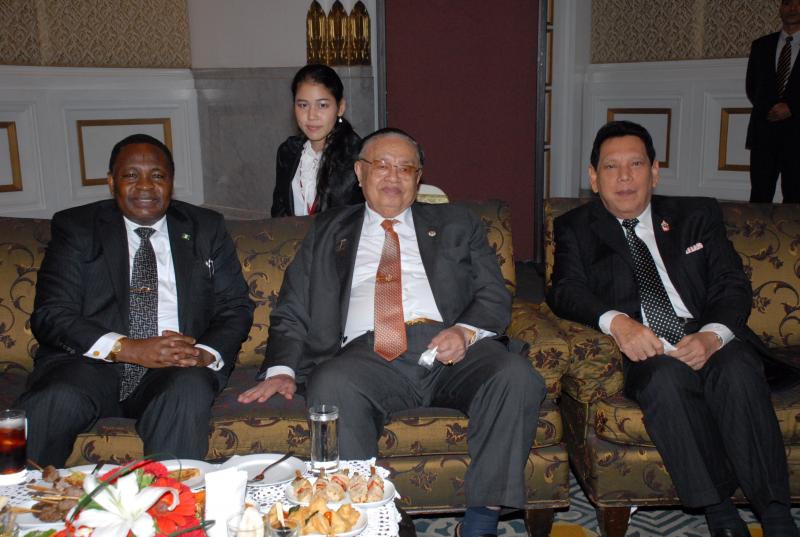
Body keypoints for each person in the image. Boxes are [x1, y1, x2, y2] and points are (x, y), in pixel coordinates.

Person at [241, 128, 545, 537]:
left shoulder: (457, 222)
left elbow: (494, 292)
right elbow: (292, 307)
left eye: (406, 168)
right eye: (382, 165)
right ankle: (380, 524)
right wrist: (282, 369)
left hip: (452, 348)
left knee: (515, 375)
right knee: (332, 383)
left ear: (418, 178)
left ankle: (480, 523)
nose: (393, 177)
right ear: (359, 172)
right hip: (366, 356)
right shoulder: (328, 230)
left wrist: (465, 331)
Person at [547, 120, 798, 537]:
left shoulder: (696, 215)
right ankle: (719, 512)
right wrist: (618, 323)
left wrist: (712, 335)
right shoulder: (575, 227)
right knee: (665, 380)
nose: (624, 177)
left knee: (736, 370)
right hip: (646, 348)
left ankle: (776, 513)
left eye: (635, 164)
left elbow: (731, 284)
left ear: (654, 171)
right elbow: (564, 290)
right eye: (611, 167)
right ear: (593, 177)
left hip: (706, 334)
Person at [16, 134, 254, 467]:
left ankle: (169, 496)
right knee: (55, 398)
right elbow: (52, 314)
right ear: (111, 181)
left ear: (171, 183)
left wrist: (202, 353)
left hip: (174, 369)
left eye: (158, 176)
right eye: (131, 175)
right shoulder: (78, 227)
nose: (145, 186)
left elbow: (235, 307)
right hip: (88, 365)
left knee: (188, 388)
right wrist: (129, 349)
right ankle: (16, 496)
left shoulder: (205, 227)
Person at [271, 64, 364, 217]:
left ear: (340, 107)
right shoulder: (288, 152)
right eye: (303, 105)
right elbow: (278, 216)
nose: (311, 115)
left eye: (322, 105)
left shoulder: (358, 156)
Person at [746, 0, 800, 203]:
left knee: (795, 198)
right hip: (764, 132)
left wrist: (792, 108)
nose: (793, 8)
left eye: (798, 4)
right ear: (780, 8)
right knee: (759, 197)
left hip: (797, 134)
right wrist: (771, 109)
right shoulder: (761, 45)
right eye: (787, 3)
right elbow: (752, 86)